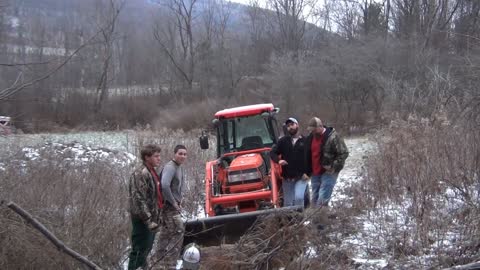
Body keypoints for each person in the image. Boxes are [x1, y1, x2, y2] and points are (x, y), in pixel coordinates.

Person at [128, 144, 163, 270]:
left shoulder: (152, 172)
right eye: (156, 156)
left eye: (159, 156)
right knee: (138, 251)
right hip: (143, 220)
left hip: (152, 219)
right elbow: (138, 199)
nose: (159, 159)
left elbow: (155, 197)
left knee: (146, 251)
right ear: (147, 157)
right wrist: (148, 221)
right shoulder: (140, 173)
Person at [154, 145, 187, 269]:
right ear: (174, 154)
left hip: (173, 205)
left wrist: (179, 201)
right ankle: (170, 264)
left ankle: (160, 262)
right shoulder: (170, 167)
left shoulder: (179, 167)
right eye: (180, 153)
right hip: (168, 206)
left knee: (166, 233)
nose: (182, 156)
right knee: (178, 231)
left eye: (184, 154)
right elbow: (164, 185)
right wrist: (173, 202)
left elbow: (176, 187)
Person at [305, 117, 349, 207]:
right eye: (311, 130)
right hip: (315, 173)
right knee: (314, 200)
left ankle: (321, 219)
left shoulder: (333, 137)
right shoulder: (310, 137)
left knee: (322, 199)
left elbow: (344, 153)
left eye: (314, 130)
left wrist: (333, 166)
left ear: (320, 127)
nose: (312, 132)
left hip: (329, 172)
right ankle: (317, 219)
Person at [270, 117, 308, 207]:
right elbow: (272, 153)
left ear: (297, 125)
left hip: (301, 177)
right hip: (287, 178)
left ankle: (300, 219)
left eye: (292, 125)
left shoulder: (305, 141)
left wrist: (308, 173)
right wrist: (279, 160)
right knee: (288, 204)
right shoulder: (283, 141)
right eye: (288, 126)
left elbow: (311, 159)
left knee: (299, 198)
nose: (290, 127)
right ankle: (291, 220)